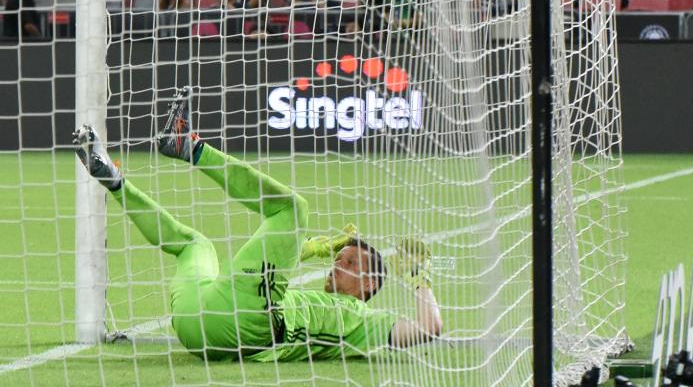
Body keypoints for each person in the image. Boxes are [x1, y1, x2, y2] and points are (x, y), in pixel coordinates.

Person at [73, 88, 442, 361]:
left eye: (349, 264)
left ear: (371, 284)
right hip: (195, 321)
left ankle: (191, 147)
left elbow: (430, 327)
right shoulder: (298, 295)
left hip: (251, 327)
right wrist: (313, 247)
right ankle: (114, 181)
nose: (336, 266)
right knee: (194, 245)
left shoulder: (362, 321)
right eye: (338, 258)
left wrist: (418, 278)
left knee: (293, 209)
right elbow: (275, 258)